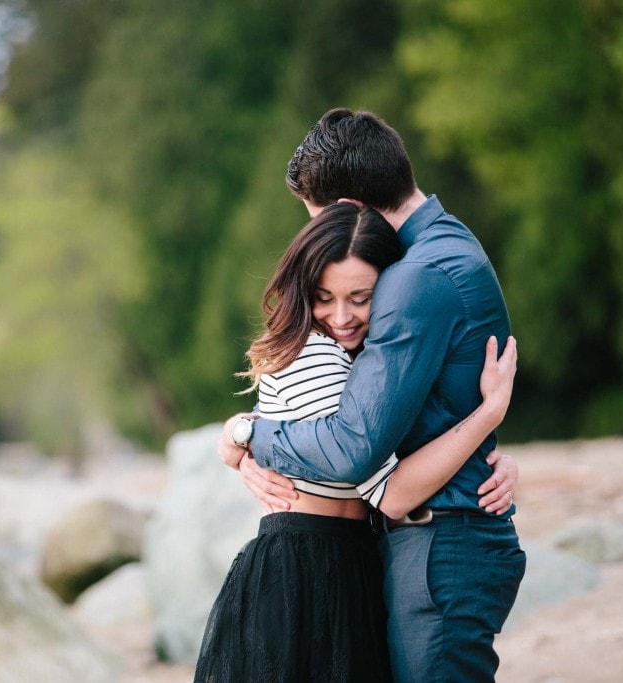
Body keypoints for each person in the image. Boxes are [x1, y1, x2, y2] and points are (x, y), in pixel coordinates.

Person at [219, 108, 526, 682]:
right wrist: (241, 440)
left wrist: (249, 435)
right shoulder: (447, 244)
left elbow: (353, 446)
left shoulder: (416, 277)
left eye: (318, 219)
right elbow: (431, 405)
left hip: (437, 541)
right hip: (420, 539)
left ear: (349, 213)